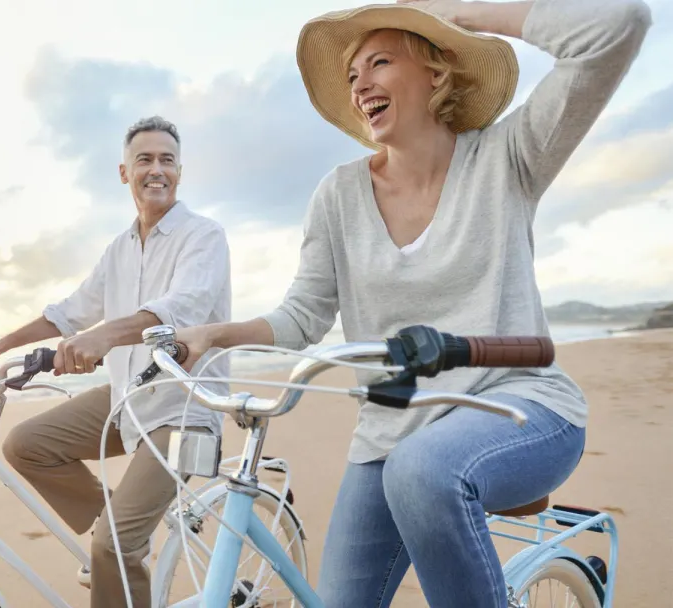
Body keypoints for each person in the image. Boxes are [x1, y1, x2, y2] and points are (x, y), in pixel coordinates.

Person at [173, 0, 651, 606]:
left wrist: (469, 14)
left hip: (520, 407)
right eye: (352, 75)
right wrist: (214, 334)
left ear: (437, 71)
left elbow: (617, 28)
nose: (361, 84)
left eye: (379, 62)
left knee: (424, 471)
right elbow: (303, 317)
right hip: (388, 436)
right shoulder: (338, 195)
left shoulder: (508, 159)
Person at [0, 115, 232, 607]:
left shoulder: (204, 236)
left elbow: (179, 311)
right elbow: (69, 314)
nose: (156, 169)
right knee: (26, 446)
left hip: (184, 408)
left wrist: (105, 336)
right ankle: (119, 525)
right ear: (124, 172)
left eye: (167, 159)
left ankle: (116, 544)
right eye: (144, 159)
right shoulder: (119, 249)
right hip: (129, 397)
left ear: (180, 172)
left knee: (113, 548)